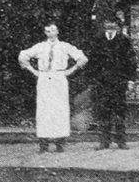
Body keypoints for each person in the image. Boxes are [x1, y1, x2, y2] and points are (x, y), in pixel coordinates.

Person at [18, 23, 88, 152]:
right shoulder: (40, 47)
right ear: (45, 33)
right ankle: (43, 143)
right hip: (44, 78)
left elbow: (82, 58)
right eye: (48, 31)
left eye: (53, 30)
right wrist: (33, 71)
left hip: (59, 77)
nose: (51, 33)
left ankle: (59, 143)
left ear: (57, 32)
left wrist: (71, 70)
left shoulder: (64, 46)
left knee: (59, 109)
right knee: (44, 110)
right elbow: (23, 56)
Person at [89, 15, 137, 149]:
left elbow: (131, 62)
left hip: (119, 81)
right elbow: (93, 62)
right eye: (107, 25)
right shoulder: (98, 40)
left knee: (119, 111)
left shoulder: (124, 40)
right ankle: (104, 141)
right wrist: (94, 79)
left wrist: (131, 80)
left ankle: (121, 141)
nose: (110, 28)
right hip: (102, 82)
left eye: (113, 26)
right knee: (103, 111)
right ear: (104, 25)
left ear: (117, 26)